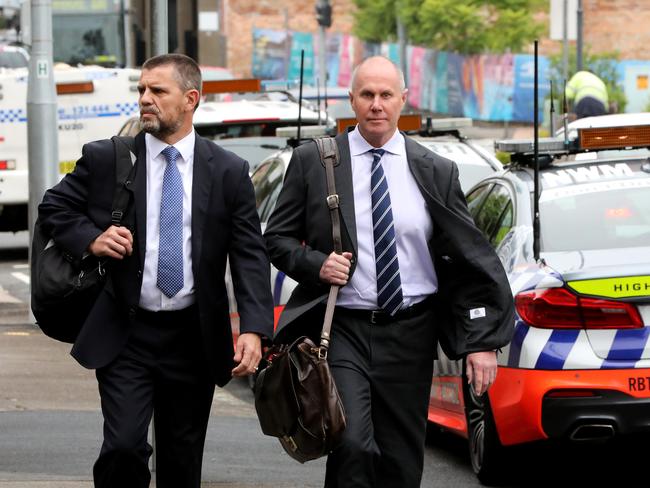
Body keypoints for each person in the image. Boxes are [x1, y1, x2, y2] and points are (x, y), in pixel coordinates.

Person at [264, 56, 514, 488]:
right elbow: (276, 239)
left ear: (403, 99)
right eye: (366, 95)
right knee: (352, 444)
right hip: (342, 329)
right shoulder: (315, 162)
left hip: (411, 333)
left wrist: (483, 342)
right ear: (351, 101)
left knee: (400, 462)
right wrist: (316, 264)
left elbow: (470, 257)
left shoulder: (435, 170)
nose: (376, 105)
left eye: (385, 95)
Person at [37, 53, 274, 488]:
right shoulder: (109, 158)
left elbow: (248, 254)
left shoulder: (227, 171)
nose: (145, 99)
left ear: (190, 99)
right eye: (141, 90)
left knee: (182, 461)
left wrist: (255, 328)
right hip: (126, 333)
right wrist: (91, 238)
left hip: (193, 337)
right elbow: (53, 206)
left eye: (157, 91)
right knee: (124, 446)